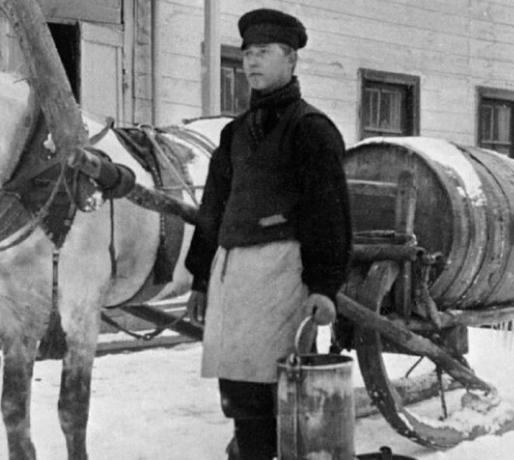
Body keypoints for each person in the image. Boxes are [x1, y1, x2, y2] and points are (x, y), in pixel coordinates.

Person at [185, 8, 352, 460]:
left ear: (291, 59)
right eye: (247, 54)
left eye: (264, 52)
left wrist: (324, 287)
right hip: (234, 273)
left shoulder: (311, 130)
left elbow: (329, 215)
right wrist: (200, 278)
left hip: (283, 272)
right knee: (238, 386)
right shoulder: (234, 133)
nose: (252, 62)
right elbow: (213, 210)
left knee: (277, 386)